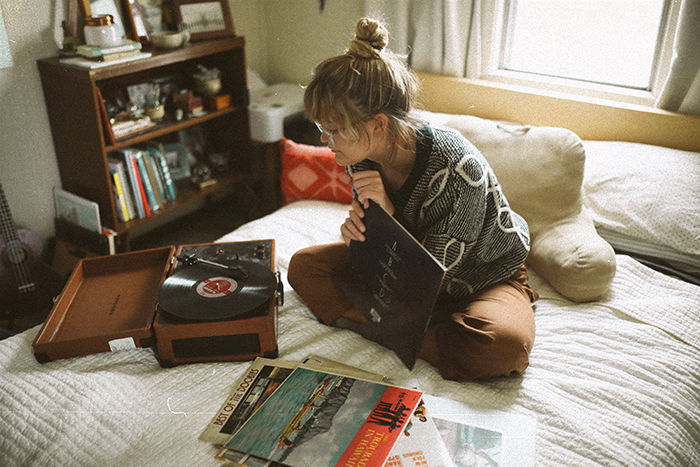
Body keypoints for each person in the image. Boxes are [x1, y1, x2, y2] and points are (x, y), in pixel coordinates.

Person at [287, 17, 538, 381]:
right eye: (322, 128)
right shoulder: (359, 155)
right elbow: (386, 258)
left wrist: (387, 216)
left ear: (378, 124)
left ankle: (389, 329)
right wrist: (359, 233)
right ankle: (412, 332)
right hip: (404, 274)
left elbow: (429, 278)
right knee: (304, 267)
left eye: (335, 129)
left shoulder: (456, 167)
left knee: (503, 347)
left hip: (485, 274)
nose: (327, 140)